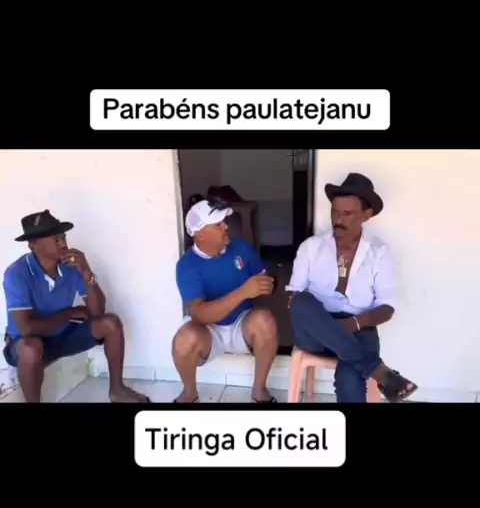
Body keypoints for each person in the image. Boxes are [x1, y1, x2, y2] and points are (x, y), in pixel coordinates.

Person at [287, 173, 418, 403]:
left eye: (347, 213)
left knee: (350, 376)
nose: (338, 219)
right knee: (300, 301)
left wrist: (351, 324)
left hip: (360, 326)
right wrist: (328, 326)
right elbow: (292, 295)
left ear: (366, 215)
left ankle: (369, 370)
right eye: (334, 212)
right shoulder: (311, 247)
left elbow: (387, 307)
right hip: (315, 331)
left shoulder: (379, 252)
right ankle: (380, 372)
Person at [2, 210, 150, 404]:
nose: (63, 243)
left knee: (111, 323)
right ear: (33, 245)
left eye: (63, 237)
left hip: (61, 335)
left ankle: (117, 390)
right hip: (24, 344)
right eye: (56, 239)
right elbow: (26, 329)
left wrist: (87, 273)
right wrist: (68, 314)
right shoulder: (17, 273)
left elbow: (97, 312)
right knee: (31, 348)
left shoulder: (70, 265)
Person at [173, 199, 279, 404]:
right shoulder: (187, 265)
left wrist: (269, 281)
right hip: (209, 332)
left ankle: (259, 390)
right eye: (218, 224)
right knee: (184, 338)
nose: (226, 226)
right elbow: (199, 314)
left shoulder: (241, 248)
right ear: (200, 234)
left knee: (265, 320)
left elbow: (267, 274)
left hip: (242, 324)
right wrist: (243, 292)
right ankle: (189, 393)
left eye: (224, 221)